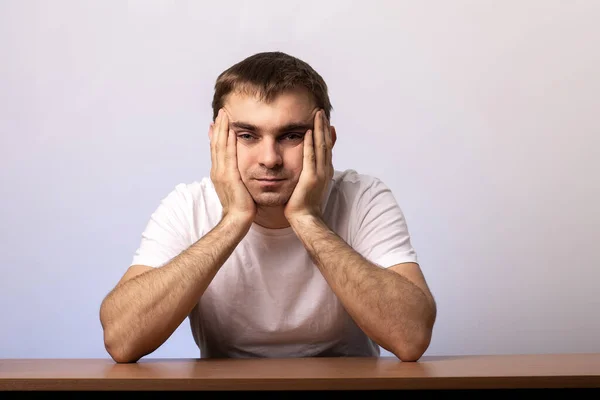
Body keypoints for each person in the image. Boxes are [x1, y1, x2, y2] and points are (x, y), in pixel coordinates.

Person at [99, 51, 437, 363]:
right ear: (217, 139)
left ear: (327, 140)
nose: (270, 159)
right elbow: (122, 339)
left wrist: (306, 218)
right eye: (247, 135)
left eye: (291, 136)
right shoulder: (189, 205)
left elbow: (411, 338)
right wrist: (234, 220)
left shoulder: (363, 197)